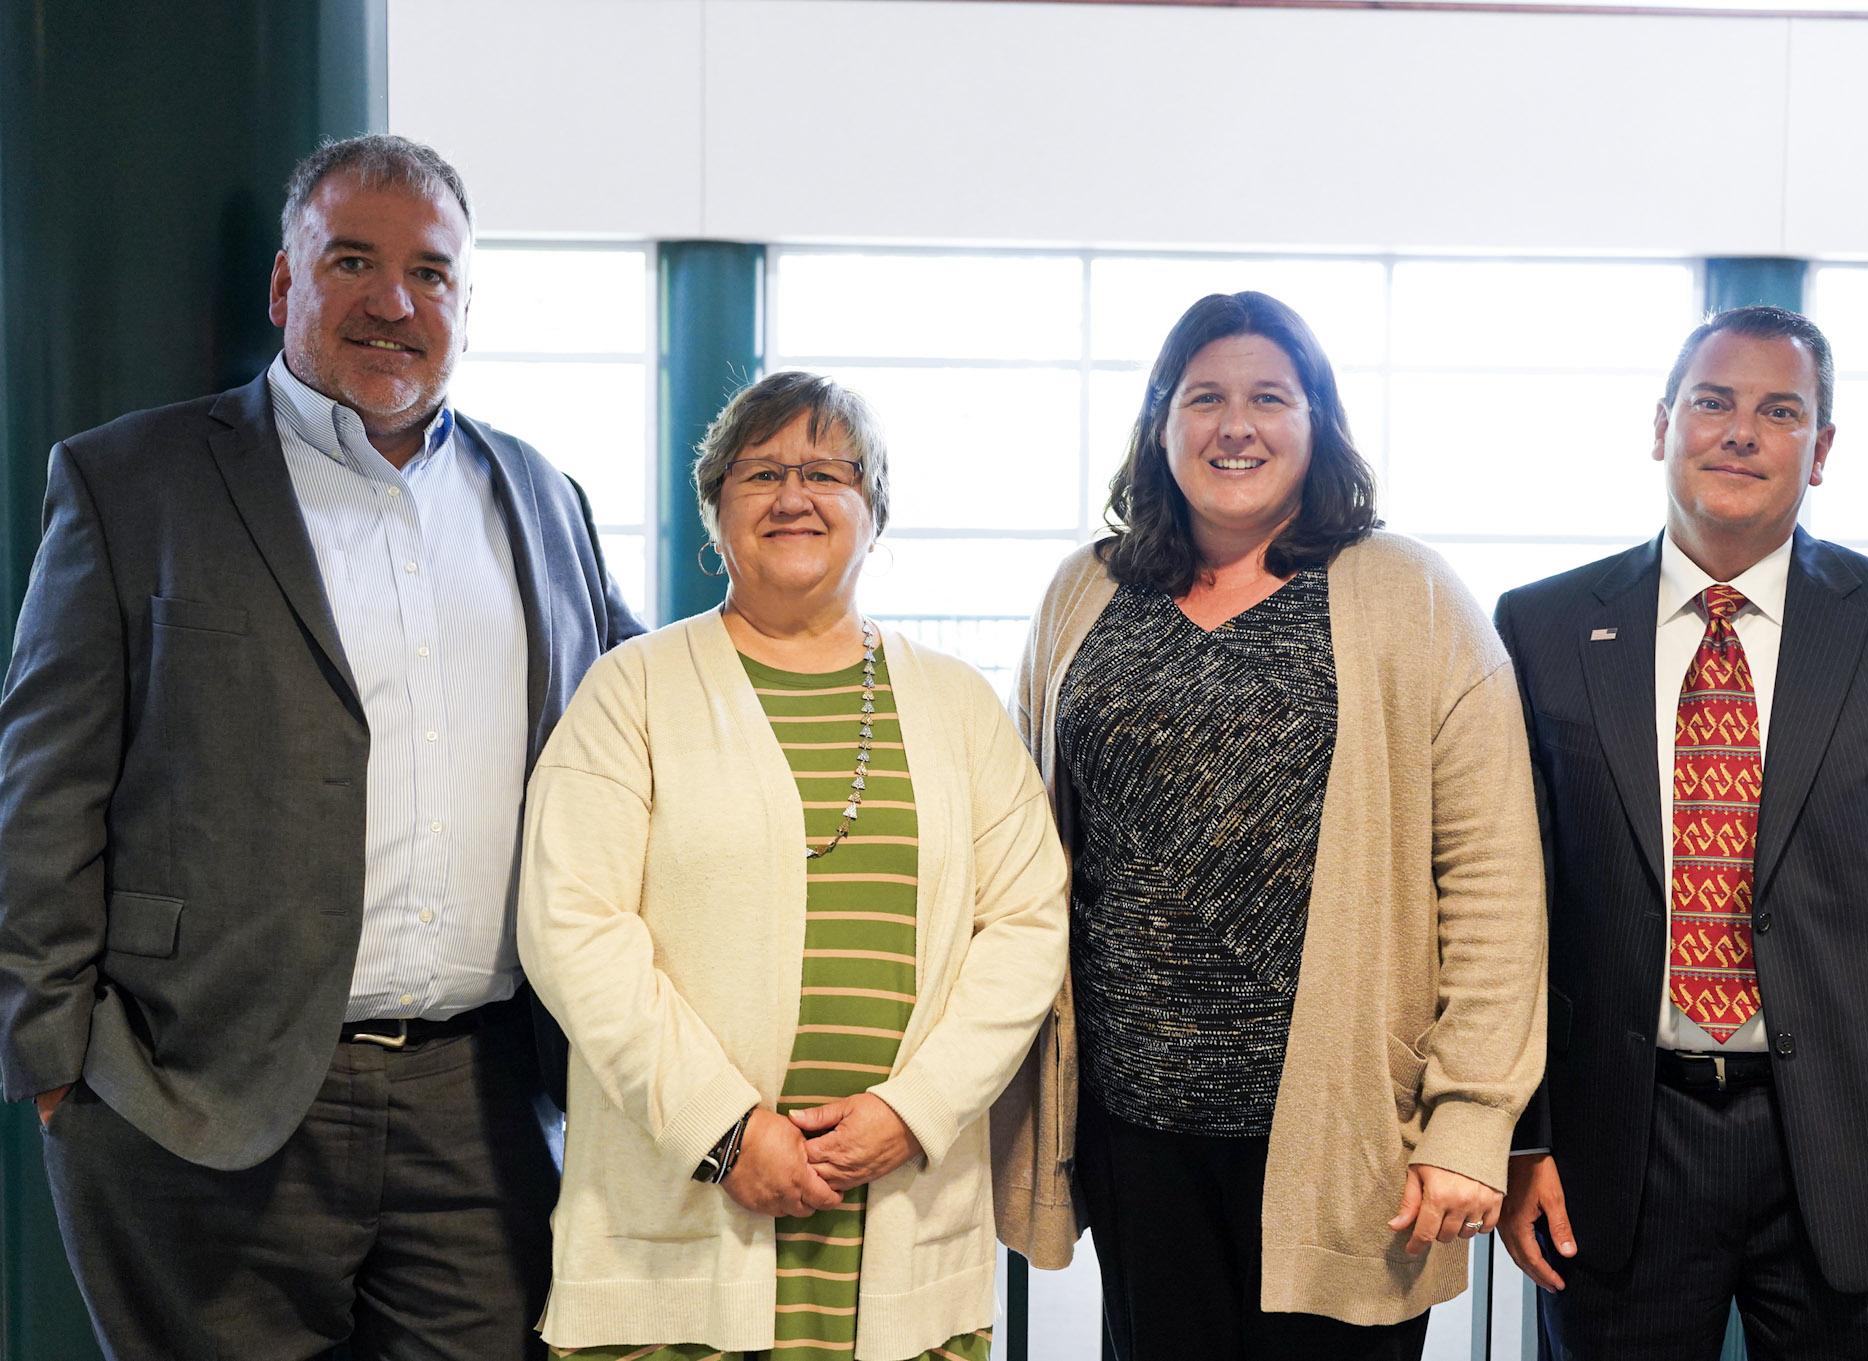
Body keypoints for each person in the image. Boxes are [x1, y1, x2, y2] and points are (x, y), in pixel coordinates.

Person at [0, 134, 641, 1360]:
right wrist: (55, 1061)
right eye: (353, 259)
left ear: (466, 301)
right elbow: (44, 788)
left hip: (485, 1099)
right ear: (289, 285)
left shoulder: (541, 496)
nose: (395, 300)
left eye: (432, 272)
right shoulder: (132, 480)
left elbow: (639, 728)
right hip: (193, 1092)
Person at [990, 291, 1547, 1361]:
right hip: (1133, 1120)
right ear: (1160, 425)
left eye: (1267, 397)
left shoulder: (1409, 593)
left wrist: (1471, 1118)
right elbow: (1023, 839)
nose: (1232, 424)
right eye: (1202, 397)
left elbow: (1492, 878)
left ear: (1316, 422)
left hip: (1347, 1131)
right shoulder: (1083, 591)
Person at [1493, 305, 1868, 1360]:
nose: (1738, 431)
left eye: (1777, 410)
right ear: (1660, 425)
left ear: (1819, 449)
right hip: (1616, 1147)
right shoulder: (1540, 626)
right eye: (1712, 400)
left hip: (1860, 1154)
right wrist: (1521, 1138)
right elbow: (1507, 908)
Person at [517, 369, 1069, 1361]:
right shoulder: (630, 692)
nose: (792, 494)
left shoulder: (957, 706)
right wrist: (726, 1129)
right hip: (683, 1221)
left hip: (898, 1214)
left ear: (874, 506)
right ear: (714, 508)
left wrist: (914, 1108)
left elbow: (1027, 925)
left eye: (827, 470)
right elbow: (572, 929)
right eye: (758, 471)